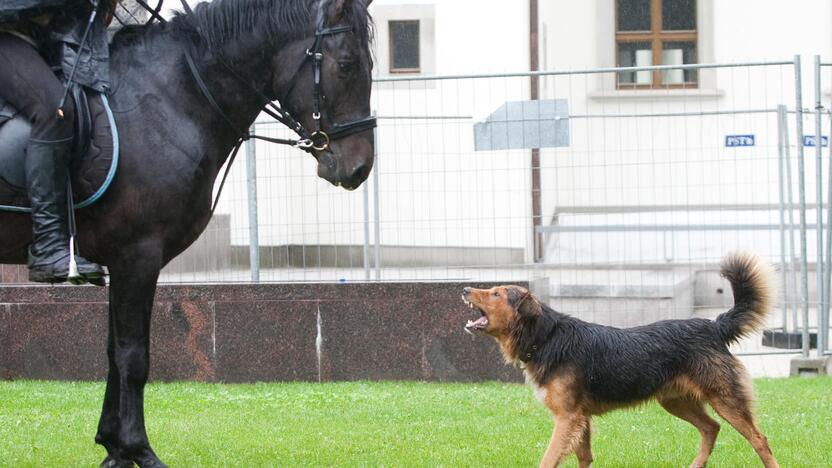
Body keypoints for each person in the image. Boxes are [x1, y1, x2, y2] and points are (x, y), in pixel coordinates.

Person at [0, 0, 116, 284]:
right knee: (55, 110)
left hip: (42, 43)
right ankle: (48, 245)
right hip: (7, 37)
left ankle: (71, 241)